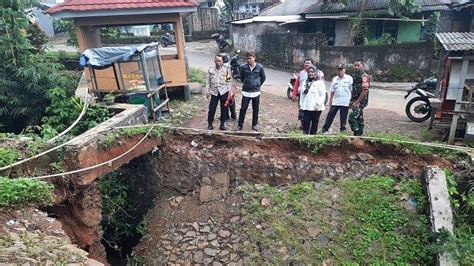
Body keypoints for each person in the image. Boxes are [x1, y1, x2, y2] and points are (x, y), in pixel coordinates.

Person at [237, 51, 266, 131]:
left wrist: (258, 84)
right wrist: (246, 83)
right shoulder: (243, 67)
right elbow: (241, 77)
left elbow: (263, 78)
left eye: (250, 58)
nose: (248, 60)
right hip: (246, 91)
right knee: (243, 109)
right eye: (247, 59)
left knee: (255, 109)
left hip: (256, 92)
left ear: (254, 58)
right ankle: (240, 125)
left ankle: (254, 124)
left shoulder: (260, 67)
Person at [322, 64, 353, 133]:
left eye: (341, 70)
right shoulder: (335, 79)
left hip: (345, 101)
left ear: (344, 70)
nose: (340, 71)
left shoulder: (349, 78)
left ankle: (343, 130)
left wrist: (351, 100)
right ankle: (325, 129)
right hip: (336, 101)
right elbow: (332, 90)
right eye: (339, 70)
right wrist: (330, 100)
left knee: (343, 117)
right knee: (330, 115)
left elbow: (351, 90)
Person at [204, 55, 231, 130]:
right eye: (217, 61)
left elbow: (229, 81)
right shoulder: (211, 70)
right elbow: (208, 82)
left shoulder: (226, 70)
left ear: (222, 62)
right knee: (212, 109)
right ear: (214, 61)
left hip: (224, 91)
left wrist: (229, 91)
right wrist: (207, 91)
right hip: (214, 92)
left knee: (224, 109)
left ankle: (222, 124)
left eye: (219, 61)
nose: (218, 62)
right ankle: (210, 124)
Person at [299, 65, 326, 135]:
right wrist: (301, 105)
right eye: (309, 72)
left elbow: (322, 95)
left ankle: (312, 140)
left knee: (314, 124)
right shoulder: (305, 82)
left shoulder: (320, 83)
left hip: (316, 108)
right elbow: (302, 95)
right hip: (307, 107)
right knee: (306, 123)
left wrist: (318, 105)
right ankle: (305, 139)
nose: (310, 73)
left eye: (312, 72)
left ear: (315, 72)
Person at [349, 59, 370, 136]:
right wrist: (351, 100)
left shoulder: (364, 77)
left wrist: (357, 102)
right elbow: (353, 89)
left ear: (362, 66)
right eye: (355, 65)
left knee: (352, 116)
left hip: (361, 101)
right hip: (355, 100)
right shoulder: (354, 75)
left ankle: (357, 132)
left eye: (358, 65)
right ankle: (358, 136)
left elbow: (364, 91)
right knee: (359, 118)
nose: (356, 67)